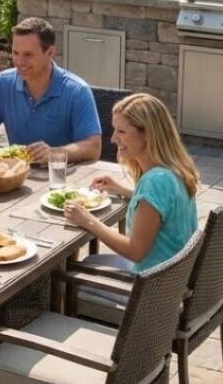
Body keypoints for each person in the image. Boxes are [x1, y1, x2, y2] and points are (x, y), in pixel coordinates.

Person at [63, 93, 199, 273]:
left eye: (121, 131)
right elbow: (160, 208)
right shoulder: (174, 171)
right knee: (89, 261)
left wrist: (89, 221)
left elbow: (135, 251)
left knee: (65, 279)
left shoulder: (154, 182)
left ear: (147, 134)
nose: (113, 139)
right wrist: (121, 190)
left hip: (148, 290)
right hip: (171, 280)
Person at [0, 17, 102, 164]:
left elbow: (93, 147)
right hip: (15, 174)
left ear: (50, 52)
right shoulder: (3, 83)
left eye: (28, 54)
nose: (19, 62)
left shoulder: (77, 91)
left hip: (61, 179)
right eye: (15, 53)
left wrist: (55, 153)